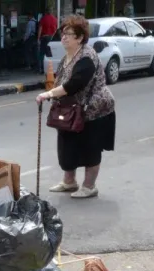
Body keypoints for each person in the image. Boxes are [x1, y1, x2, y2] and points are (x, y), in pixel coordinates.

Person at [36, 15, 116, 199]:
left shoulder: (86, 57)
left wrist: (48, 94)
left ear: (80, 38)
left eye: (68, 34)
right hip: (72, 109)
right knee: (67, 145)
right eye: (63, 34)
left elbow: (74, 84)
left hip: (94, 110)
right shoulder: (68, 56)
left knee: (90, 148)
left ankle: (89, 186)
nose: (63, 37)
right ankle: (69, 182)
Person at [38, 9, 58, 73]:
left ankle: (41, 69)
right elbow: (56, 29)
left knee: (42, 53)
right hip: (51, 38)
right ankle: (50, 69)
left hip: (44, 37)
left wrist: (38, 38)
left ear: (46, 12)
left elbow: (40, 29)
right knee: (50, 54)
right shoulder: (55, 19)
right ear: (51, 12)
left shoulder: (43, 18)